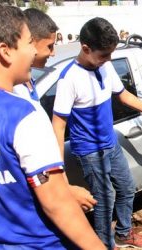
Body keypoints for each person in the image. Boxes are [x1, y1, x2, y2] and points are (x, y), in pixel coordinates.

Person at [0, 4, 106, 250]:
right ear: (5, 51)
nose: (32, 51)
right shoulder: (24, 115)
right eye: (28, 43)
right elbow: (56, 202)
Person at [51, 17, 142, 249]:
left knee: (127, 187)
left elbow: (124, 96)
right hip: (90, 151)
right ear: (85, 48)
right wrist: (58, 172)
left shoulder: (105, 66)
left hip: (110, 144)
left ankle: (123, 233)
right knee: (104, 199)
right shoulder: (69, 79)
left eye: (110, 55)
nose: (108, 60)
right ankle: (104, 243)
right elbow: (58, 126)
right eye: (103, 55)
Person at [13, 8, 97, 211]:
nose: (53, 53)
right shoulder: (14, 93)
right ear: (30, 42)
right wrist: (63, 189)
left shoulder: (27, 81)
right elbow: (30, 161)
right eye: (49, 46)